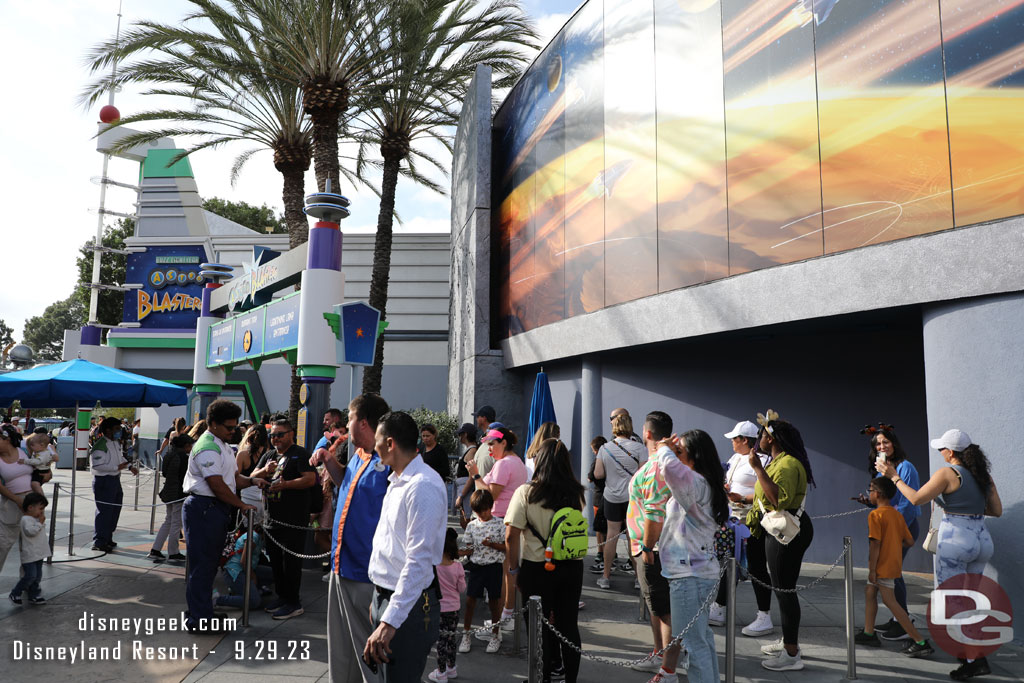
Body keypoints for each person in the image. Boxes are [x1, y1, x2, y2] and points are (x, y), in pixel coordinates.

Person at [876, 428, 1002, 682]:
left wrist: (893, 476)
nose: (940, 452)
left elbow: (915, 499)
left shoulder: (947, 473)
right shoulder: (982, 475)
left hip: (956, 538)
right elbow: (996, 510)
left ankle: (973, 659)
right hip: (981, 537)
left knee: (953, 601)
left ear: (951, 452)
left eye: (942, 448)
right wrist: (959, 503)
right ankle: (975, 653)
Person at [363, 411, 448, 681]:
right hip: (391, 599)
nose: (372, 447)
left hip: (409, 607)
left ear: (390, 443)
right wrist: (378, 600)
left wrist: (389, 620)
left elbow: (418, 562)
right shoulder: (398, 480)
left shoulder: (422, 485)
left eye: (376, 440)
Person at [313, 393, 391, 683]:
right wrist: (327, 458)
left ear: (365, 423)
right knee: (342, 648)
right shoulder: (358, 456)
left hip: (367, 573)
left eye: (350, 418)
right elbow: (347, 481)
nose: (346, 424)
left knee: (367, 652)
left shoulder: (390, 461)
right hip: (341, 566)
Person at [505, 438, 585, 683]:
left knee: (538, 627)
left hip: (537, 566)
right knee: (568, 625)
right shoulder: (575, 492)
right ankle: (570, 678)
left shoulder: (526, 492)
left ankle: (541, 678)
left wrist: (513, 569)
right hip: (571, 566)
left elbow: (511, 535)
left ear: (539, 461)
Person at [181, 399, 265, 632]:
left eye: (236, 427)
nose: (233, 431)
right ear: (214, 424)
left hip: (213, 509)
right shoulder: (208, 446)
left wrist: (252, 480)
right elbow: (216, 484)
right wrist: (241, 505)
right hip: (205, 507)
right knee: (202, 567)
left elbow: (232, 478)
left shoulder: (222, 444)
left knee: (207, 567)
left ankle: (202, 612)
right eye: (229, 427)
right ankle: (198, 620)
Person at [657, 429, 728, 683]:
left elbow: (670, 469)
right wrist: (672, 451)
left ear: (695, 455)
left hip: (690, 575)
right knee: (701, 639)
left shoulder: (697, 483)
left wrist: (664, 447)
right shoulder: (704, 483)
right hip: (698, 573)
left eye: (681, 451)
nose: (677, 454)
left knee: (693, 643)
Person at [747, 414, 815, 671]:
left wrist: (757, 468)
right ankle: (789, 641)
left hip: (785, 532)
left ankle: (791, 653)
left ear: (771, 438)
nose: (758, 440)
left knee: (784, 590)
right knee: (783, 588)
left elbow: (778, 500)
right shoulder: (779, 461)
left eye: (761, 436)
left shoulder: (786, 464)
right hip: (779, 529)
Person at [627, 411, 685, 682]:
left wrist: (647, 547)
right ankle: (661, 656)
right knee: (657, 608)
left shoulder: (656, 468)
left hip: (656, 550)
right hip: (658, 547)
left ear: (647, 433)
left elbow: (654, 513)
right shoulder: (670, 463)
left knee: (664, 612)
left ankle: (668, 668)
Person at [854, 426, 921, 640]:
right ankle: (897, 619)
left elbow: (908, 504)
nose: (882, 446)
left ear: (894, 443)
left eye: (885, 442)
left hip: (902, 526)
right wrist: (870, 502)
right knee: (892, 574)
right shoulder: (881, 469)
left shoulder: (905, 467)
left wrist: (893, 530)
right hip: (889, 525)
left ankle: (905, 624)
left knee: (891, 573)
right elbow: (885, 501)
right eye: (878, 444)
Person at [854, 477, 934, 657]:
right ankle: (869, 632)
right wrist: (893, 546)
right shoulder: (896, 514)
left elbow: (875, 544)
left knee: (890, 601)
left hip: (881, 566)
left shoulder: (875, 515)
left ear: (879, 494)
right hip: (892, 563)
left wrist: (873, 569)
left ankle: (920, 641)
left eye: (870, 490)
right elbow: (910, 541)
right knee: (870, 592)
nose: (869, 494)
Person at [712, 420, 774, 636]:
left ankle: (764, 615)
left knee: (756, 566)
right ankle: (719, 607)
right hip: (733, 520)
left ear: (744, 440)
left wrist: (744, 499)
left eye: (734, 439)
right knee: (729, 563)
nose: (731, 442)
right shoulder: (736, 458)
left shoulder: (763, 460)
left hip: (752, 522)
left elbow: (767, 490)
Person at [251, 418, 316, 620]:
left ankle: (293, 602)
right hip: (272, 519)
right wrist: (264, 472)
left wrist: (286, 485)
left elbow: (310, 479)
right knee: (276, 561)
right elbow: (253, 475)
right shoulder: (269, 455)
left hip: (293, 519)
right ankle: (282, 596)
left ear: (291, 434)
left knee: (291, 563)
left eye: (280, 434)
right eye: (273, 435)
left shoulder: (300, 454)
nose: (275, 438)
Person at [466, 427, 526, 626]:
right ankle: (505, 617)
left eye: (492, 443)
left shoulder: (503, 465)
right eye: (487, 444)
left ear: (504, 443)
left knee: (501, 576)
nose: (488, 448)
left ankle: (502, 619)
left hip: (499, 522)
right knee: (507, 572)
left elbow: (489, 496)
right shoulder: (516, 462)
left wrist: (475, 475)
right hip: (507, 521)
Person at [594, 413, 647, 589]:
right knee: (634, 536)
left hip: (612, 497)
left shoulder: (604, 448)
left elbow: (598, 474)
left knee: (611, 535)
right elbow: (643, 475)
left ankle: (606, 576)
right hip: (633, 498)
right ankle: (639, 579)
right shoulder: (639, 448)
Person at [457, 489, 506, 654]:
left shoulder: (499, 524)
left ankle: (495, 634)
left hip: (494, 567)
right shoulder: (472, 525)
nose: (481, 514)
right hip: (477, 567)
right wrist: (458, 553)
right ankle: (466, 633)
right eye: (478, 511)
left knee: (494, 602)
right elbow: (470, 549)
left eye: (484, 510)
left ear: (491, 507)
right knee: (470, 601)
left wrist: (492, 545)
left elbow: (506, 548)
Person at [90, 416, 137, 552]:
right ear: (108, 430)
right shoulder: (100, 446)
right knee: (104, 511)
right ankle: (99, 541)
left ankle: (108, 537)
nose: (119, 432)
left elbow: (119, 457)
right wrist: (117, 467)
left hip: (115, 479)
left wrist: (128, 466)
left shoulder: (115, 443)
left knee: (115, 510)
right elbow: (97, 466)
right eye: (117, 429)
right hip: (104, 481)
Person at [428, 528, 467, 683]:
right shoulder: (458, 567)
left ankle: (441, 672)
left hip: (439, 609)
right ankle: (451, 668)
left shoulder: (434, 567)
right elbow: (462, 589)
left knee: (441, 641)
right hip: (454, 609)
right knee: (451, 638)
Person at [149, 432, 191, 561]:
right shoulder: (183, 457)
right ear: (186, 445)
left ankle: (156, 549)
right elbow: (185, 476)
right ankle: (173, 552)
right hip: (178, 493)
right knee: (175, 523)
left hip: (168, 491)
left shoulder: (168, 454)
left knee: (168, 521)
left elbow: (166, 473)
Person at [0, 424, 33, 575]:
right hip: (11, 504)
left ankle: (29, 584)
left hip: (32, 503)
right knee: (3, 544)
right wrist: (17, 500)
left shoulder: (24, 451)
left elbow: (40, 468)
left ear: (6, 439)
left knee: (30, 546)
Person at [216, 524, 273, 610]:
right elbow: (244, 561)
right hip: (234, 572)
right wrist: (253, 577)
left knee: (274, 573)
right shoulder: (254, 537)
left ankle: (253, 590)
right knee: (253, 601)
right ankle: (217, 599)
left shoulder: (259, 538)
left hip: (244, 569)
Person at [8, 491, 49, 605]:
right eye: (40, 509)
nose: (42, 512)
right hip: (30, 554)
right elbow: (31, 532)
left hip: (38, 554)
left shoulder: (35, 519)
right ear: (30, 507)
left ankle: (34, 594)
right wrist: (40, 523)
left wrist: (39, 522)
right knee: (30, 576)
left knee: (37, 577)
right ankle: (16, 592)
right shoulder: (26, 520)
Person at [236, 424, 270, 522]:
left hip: (246, 497)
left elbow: (235, 476)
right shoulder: (270, 454)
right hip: (264, 495)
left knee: (246, 531)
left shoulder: (242, 454)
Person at [587, 435, 611, 574]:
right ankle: (611, 554)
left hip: (598, 497)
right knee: (610, 528)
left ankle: (601, 553)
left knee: (599, 528)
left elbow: (591, 476)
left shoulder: (598, 460)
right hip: (611, 495)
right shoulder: (611, 459)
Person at [453, 423, 479, 518]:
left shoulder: (471, 452)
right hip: (463, 488)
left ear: (465, 435)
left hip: (466, 491)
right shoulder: (469, 450)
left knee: (466, 519)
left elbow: (471, 477)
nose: (459, 437)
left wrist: (461, 496)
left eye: (460, 434)